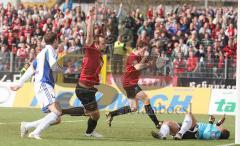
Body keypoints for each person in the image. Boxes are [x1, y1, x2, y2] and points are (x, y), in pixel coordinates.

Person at [61, 7, 105, 138]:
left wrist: (97, 82)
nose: (104, 45)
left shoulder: (99, 55)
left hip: (89, 89)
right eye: (102, 43)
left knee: (93, 113)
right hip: (84, 89)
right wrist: (91, 19)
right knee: (94, 113)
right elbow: (90, 36)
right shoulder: (91, 50)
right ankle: (62, 111)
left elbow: (94, 71)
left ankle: (89, 132)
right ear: (96, 44)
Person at [10, 32, 63, 140]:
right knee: (56, 112)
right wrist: (63, 70)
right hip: (44, 84)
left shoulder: (41, 53)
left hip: (43, 85)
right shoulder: (50, 50)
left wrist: (19, 84)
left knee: (57, 117)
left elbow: (31, 69)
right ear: (55, 40)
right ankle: (35, 133)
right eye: (58, 40)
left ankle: (27, 125)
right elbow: (54, 66)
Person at [105, 40, 161, 129]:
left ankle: (111, 114)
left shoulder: (137, 55)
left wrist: (146, 58)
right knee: (146, 99)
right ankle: (157, 123)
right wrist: (148, 63)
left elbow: (139, 65)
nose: (145, 52)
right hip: (130, 83)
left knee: (133, 108)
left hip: (128, 83)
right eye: (144, 49)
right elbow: (138, 67)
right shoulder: (132, 56)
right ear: (138, 48)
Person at [151, 113, 229, 140]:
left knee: (189, 114)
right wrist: (218, 122)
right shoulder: (216, 129)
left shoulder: (217, 133)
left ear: (222, 131)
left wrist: (210, 122)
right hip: (191, 129)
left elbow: (206, 135)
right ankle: (162, 135)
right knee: (167, 122)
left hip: (195, 131)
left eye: (222, 128)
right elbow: (215, 125)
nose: (221, 126)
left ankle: (180, 133)